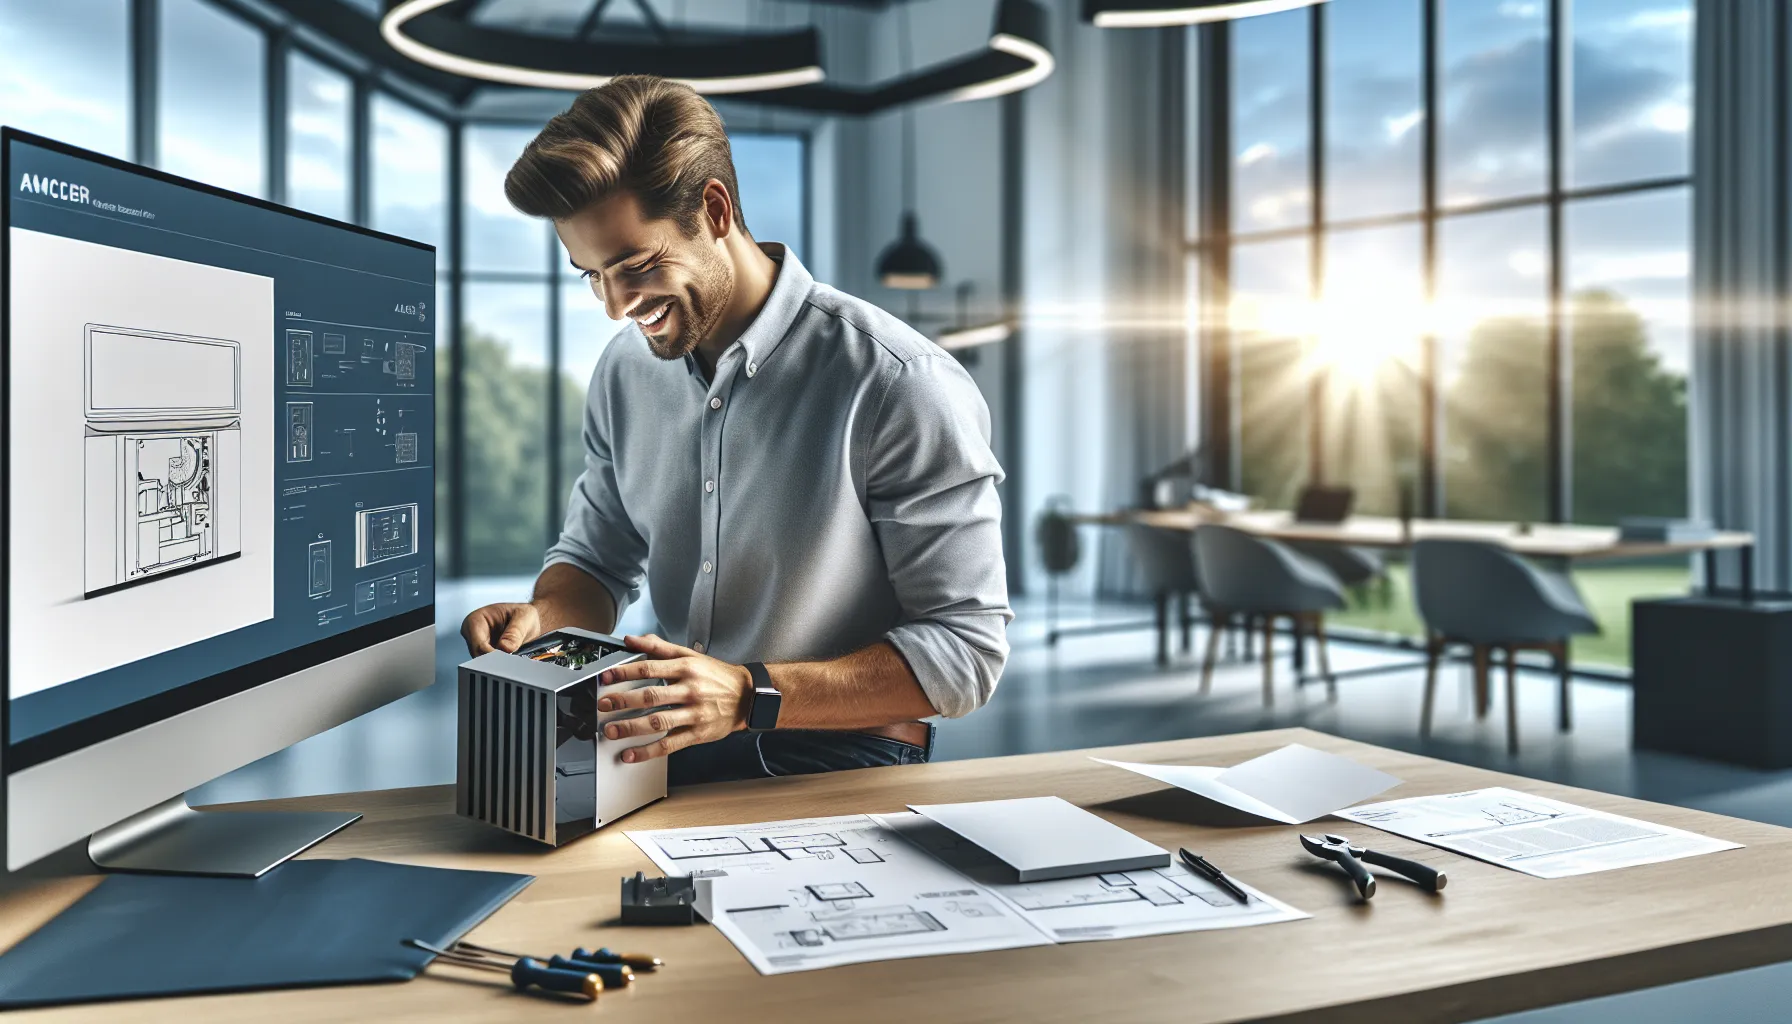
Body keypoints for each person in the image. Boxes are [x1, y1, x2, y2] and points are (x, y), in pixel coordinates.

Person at [460, 75, 1010, 784]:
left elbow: (965, 651)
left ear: (714, 209)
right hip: (664, 739)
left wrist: (750, 696)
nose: (615, 306)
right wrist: (544, 620)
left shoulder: (898, 380)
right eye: (591, 275)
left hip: (844, 751)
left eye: (636, 266)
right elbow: (598, 560)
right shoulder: (625, 372)